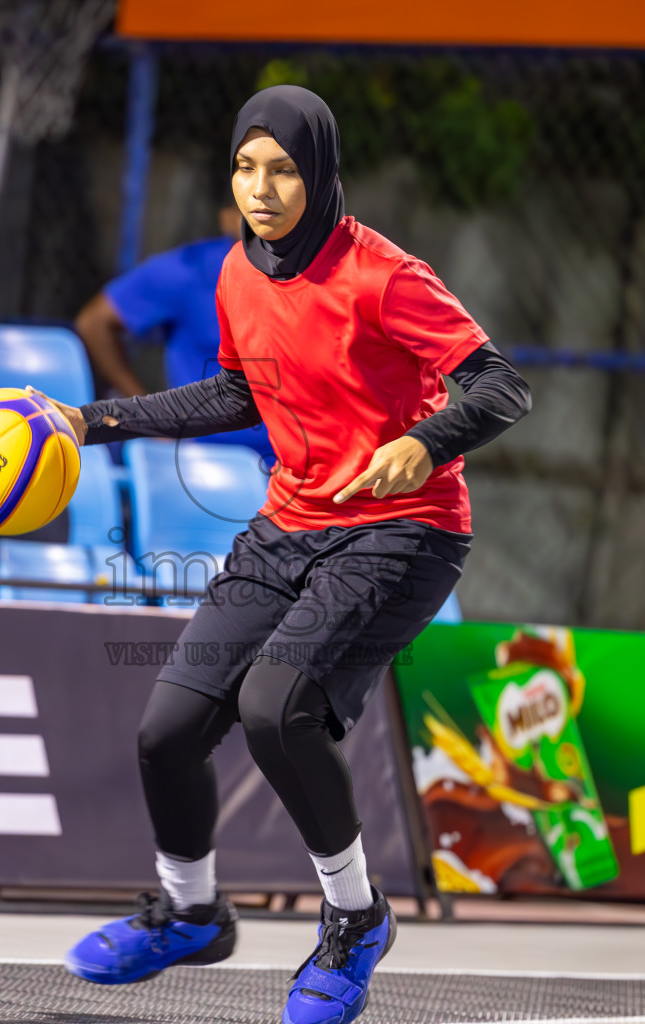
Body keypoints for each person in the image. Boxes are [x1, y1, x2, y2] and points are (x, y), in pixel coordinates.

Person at [36, 86, 529, 1024]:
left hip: (404, 527)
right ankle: (190, 913)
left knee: (276, 707)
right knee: (168, 732)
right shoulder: (237, 271)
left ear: (322, 174)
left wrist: (426, 440)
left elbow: (503, 388)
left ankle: (355, 919)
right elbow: (235, 397)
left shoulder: (386, 276)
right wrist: (89, 420)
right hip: (289, 521)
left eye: (285, 170)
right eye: (246, 167)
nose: (261, 188)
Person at [74, 194, 269, 454]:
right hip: (207, 458)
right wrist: (149, 421)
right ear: (228, 218)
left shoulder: (314, 277)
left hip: (298, 459)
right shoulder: (189, 271)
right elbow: (94, 322)